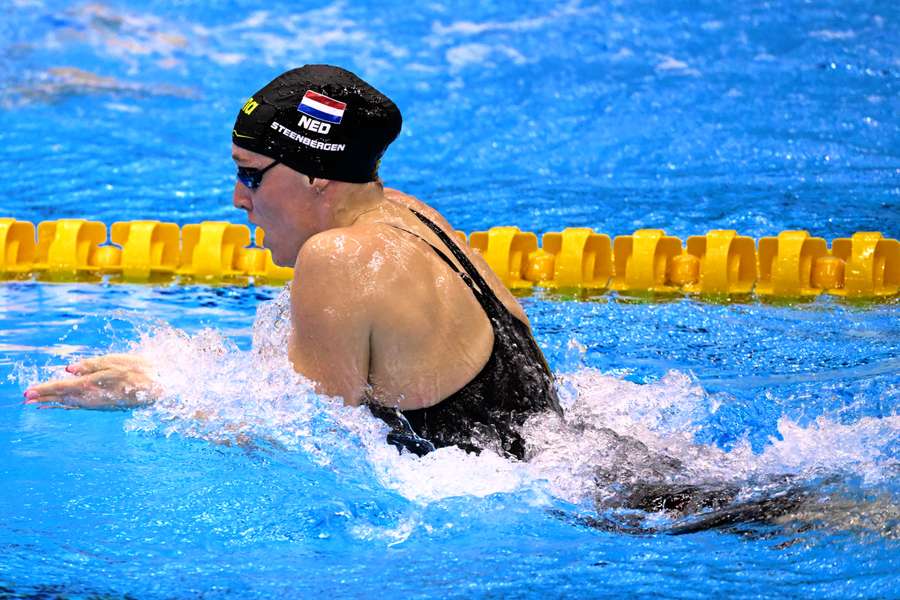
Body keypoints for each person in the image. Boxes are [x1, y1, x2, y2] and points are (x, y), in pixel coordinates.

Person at [24, 64, 563, 460]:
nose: (239, 198)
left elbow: (310, 445)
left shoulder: (338, 256)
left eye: (251, 174)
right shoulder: (407, 212)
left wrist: (158, 390)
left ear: (315, 175)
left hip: (555, 507)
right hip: (577, 464)